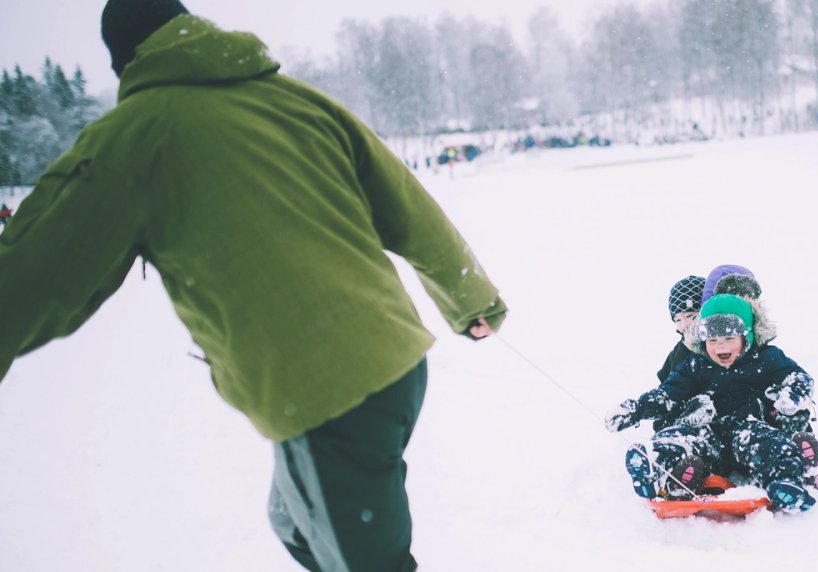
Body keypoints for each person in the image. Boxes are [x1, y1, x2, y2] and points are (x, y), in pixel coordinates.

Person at [0, 1, 507, 571]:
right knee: (293, 522)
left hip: (328, 395)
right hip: (396, 367)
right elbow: (410, 207)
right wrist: (472, 301)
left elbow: (32, 269)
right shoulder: (296, 101)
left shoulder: (134, 134)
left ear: (124, 61)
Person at [607, 294, 818, 512]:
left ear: (747, 336)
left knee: (768, 444)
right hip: (709, 432)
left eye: (729, 339)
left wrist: (793, 394)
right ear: (702, 341)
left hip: (750, 427)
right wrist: (637, 409)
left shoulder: (766, 358)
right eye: (712, 341)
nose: (720, 347)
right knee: (680, 438)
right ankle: (658, 466)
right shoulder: (696, 364)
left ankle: (785, 481)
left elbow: (796, 376)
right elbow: (669, 393)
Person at [655, 275, 705, 384]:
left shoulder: (717, 345)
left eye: (690, 316)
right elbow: (666, 381)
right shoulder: (680, 349)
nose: (684, 325)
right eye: (678, 320)